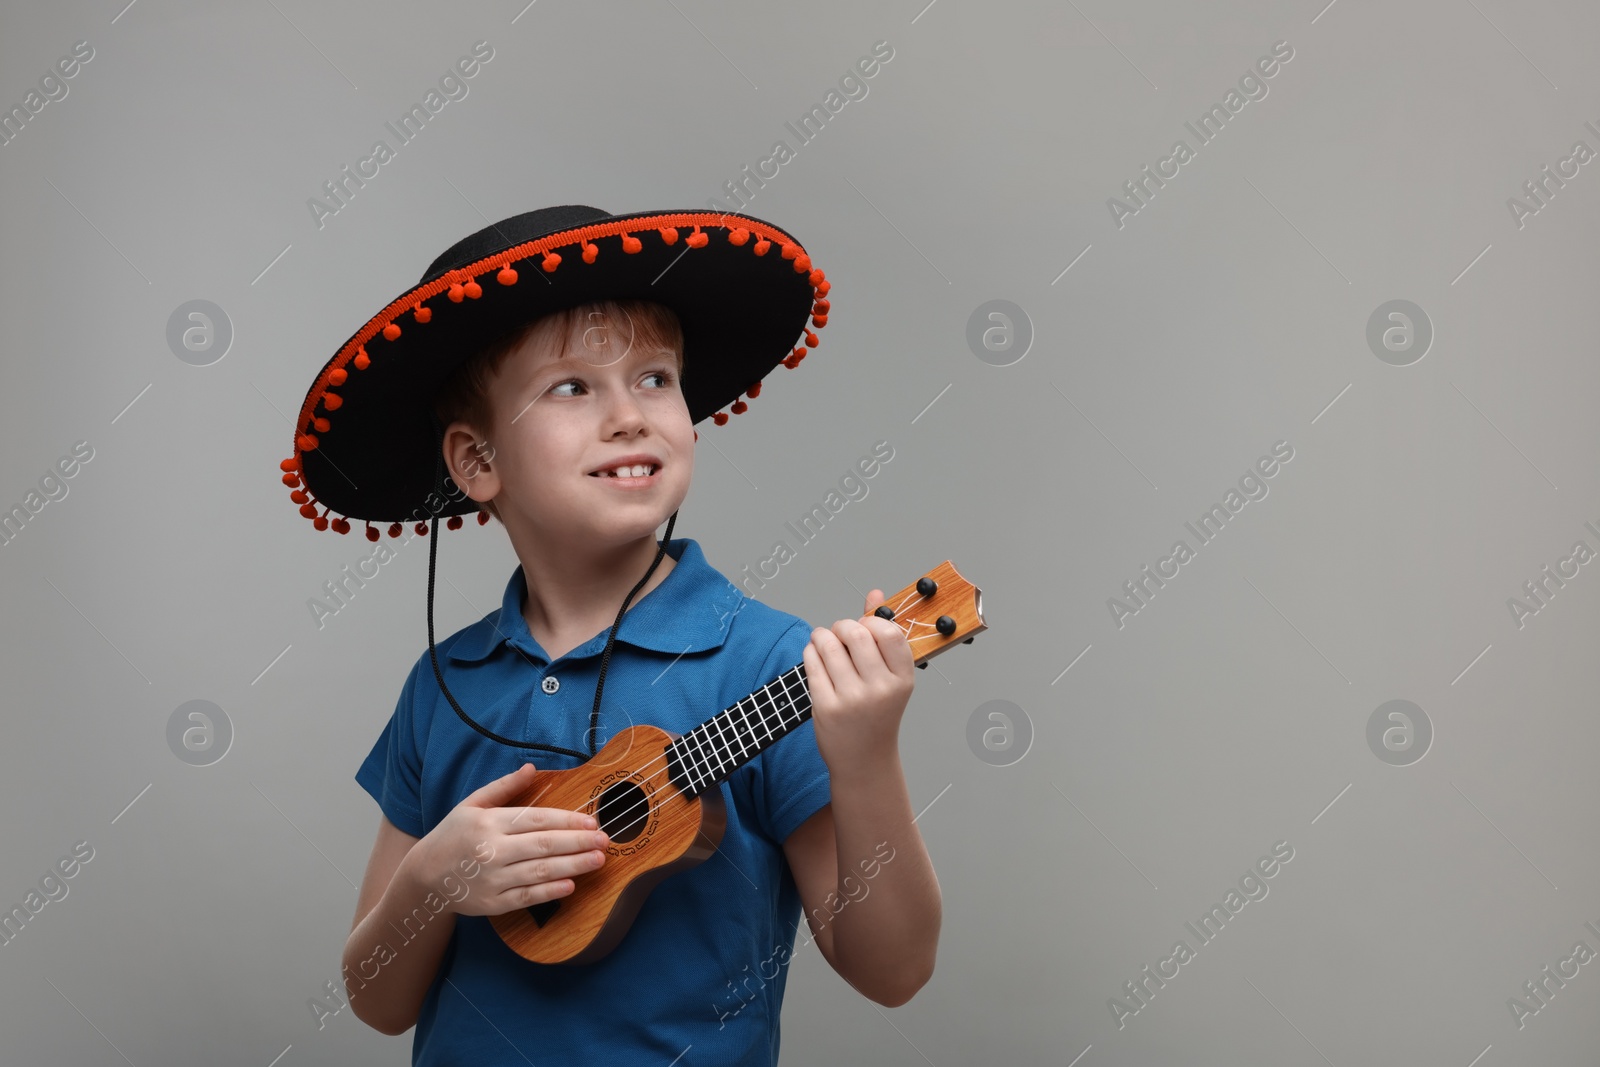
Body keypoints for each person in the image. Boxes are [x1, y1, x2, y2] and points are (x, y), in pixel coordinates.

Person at [279, 206, 941, 1064]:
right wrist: (433, 879)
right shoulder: (445, 683)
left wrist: (866, 758)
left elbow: (892, 969)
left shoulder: (768, 661)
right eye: (572, 386)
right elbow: (378, 1002)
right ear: (478, 462)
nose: (631, 415)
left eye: (656, 377)